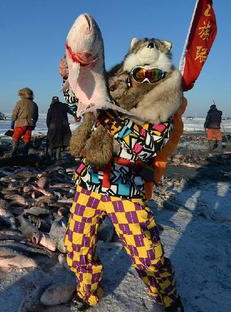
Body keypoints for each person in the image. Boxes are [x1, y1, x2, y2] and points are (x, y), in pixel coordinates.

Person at [66, 109, 183, 311]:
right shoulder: (109, 92)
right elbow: (78, 103)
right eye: (135, 75)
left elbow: (147, 147)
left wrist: (110, 120)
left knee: (146, 251)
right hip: (89, 185)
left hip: (125, 188)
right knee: (77, 244)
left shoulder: (162, 104)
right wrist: (68, 79)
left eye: (149, 75)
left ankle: (167, 296)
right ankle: (87, 292)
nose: (142, 78)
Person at [9, 87, 39, 157]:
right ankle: (25, 153)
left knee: (16, 137)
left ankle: (13, 152)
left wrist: (13, 121)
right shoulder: (34, 104)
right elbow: (36, 116)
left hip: (21, 123)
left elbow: (15, 112)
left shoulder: (20, 102)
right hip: (30, 124)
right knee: (27, 138)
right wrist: (33, 123)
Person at [46, 96, 71, 160]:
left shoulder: (51, 108)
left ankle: (50, 156)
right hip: (63, 125)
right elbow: (70, 111)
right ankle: (58, 157)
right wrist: (76, 116)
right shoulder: (64, 106)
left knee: (51, 140)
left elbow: (48, 119)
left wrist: (49, 127)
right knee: (60, 141)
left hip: (53, 126)